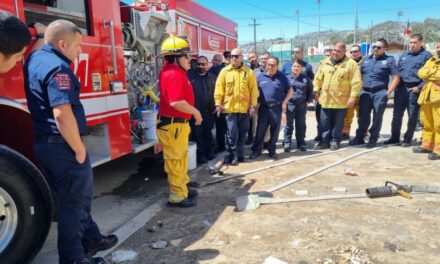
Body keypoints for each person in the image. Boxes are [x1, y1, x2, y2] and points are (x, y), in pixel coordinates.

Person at [24, 19, 117, 264]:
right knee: (74, 205)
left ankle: (92, 238)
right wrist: (79, 150)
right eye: (77, 45)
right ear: (63, 44)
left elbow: (40, 46)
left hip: (45, 145)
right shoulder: (59, 68)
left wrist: (42, 34)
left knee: (72, 198)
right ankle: (73, 258)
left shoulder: (34, 59)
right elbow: (62, 114)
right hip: (62, 146)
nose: (81, 51)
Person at [155, 35, 202, 208]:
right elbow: (176, 102)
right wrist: (196, 113)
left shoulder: (175, 72)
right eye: (186, 56)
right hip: (173, 125)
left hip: (175, 125)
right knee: (176, 160)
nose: (190, 59)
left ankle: (183, 187)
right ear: (176, 58)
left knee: (180, 159)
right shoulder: (173, 74)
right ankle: (177, 196)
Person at [349, 39, 400, 148]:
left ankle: (373, 139)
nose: (375, 49)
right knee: (362, 116)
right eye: (374, 47)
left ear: (385, 49)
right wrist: (360, 88)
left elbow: (396, 77)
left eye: (378, 47)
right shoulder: (366, 59)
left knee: (377, 116)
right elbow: (358, 75)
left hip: (380, 92)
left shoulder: (389, 60)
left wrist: (388, 93)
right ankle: (360, 137)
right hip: (365, 93)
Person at [385, 34, 433, 146]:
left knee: (412, 116)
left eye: (415, 42)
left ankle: (407, 139)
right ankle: (394, 138)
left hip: (414, 90)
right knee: (396, 115)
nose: (412, 45)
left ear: (421, 42)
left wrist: (419, 87)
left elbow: (430, 76)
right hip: (400, 89)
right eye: (410, 42)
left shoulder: (427, 56)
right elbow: (398, 72)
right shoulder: (404, 55)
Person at [313, 41, 362, 150]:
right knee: (324, 122)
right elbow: (318, 78)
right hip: (325, 100)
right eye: (334, 50)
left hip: (341, 100)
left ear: (344, 51)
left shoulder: (351, 64)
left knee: (338, 124)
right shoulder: (324, 63)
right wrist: (316, 90)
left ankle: (335, 141)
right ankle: (325, 142)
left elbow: (356, 82)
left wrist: (352, 97)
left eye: (338, 51)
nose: (335, 53)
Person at [214, 48, 259, 165]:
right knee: (232, 134)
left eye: (236, 56)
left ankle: (240, 154)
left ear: (241, 58)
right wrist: (218, 104)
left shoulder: (248, 72)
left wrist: (252, 106)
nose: (233, 58)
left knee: (242, 134)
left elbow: (254, 90)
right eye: (231, 56)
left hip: (244, 110)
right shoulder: (224, 72)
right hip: (229, 110)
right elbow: (219, 89)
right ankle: (233, 155)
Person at [249, 57, 293, 159]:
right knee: (260, 130)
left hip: (276, 108)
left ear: (277, 66)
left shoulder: (282, 77)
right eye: (269, 64)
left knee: (275, 131)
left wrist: (285, 102)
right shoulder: (260, 77)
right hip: (263, 108)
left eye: (273, 65)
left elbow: (290, 91)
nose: (270, 67)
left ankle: (272, 151)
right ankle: (256, 151)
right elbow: (253, 91)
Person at [413, 42, 440, 160]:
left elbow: (437, 76)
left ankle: (438, 150)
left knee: (439, 124)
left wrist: (428, 74)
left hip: (438, 98)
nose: (438, 49)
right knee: (427, 122)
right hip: (427, 96)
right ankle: (427, 145)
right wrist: (430, 74)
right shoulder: (432, 60)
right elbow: (421, 72)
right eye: (438, 47)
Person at [188, 56, 216, 164]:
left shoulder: (213, 78)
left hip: (209, 112)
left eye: (203, 64)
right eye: (198, 64)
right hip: (195, 113)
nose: (200, 66)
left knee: (208, 133)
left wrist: (216, 106)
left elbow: (218, 93)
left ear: (207, 65)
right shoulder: (190, 77)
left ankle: (210, 153)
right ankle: (201, 156)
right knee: (197, 135)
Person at [283, 59, 313, 152]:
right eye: (294, 66)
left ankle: (301, 143)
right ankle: (287, 142)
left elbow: (310, 90)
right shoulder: (286, 78)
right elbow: (283, 90)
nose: (296, 68)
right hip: (290, 104)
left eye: (298, 67)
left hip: (301, 105)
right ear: (291, 67)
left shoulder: (305, 78)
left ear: (302, 68)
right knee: (288, 125)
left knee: (300, 125)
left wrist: (308, 101)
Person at [246, 51, 271, 146]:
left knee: (267, 125)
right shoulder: (254, 73)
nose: (264, 60)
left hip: (268, 103)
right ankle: (257, 143)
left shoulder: (273, 71)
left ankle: (266, 142)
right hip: (257, 102)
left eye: (266, 58)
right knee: (255, 124)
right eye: (262, 59)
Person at [342, 44, 364, 140]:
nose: (353, 53)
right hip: (350, 94)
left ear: (360, 52)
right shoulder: (347, 63)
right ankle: (345, 133)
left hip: (362, 94)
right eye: (351, 52)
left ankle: (364, 132)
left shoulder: (366, 62)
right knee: (347, 114)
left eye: (355, 51)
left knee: (362, 114)